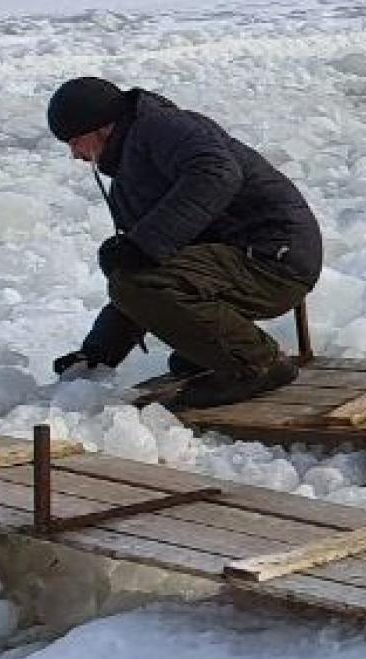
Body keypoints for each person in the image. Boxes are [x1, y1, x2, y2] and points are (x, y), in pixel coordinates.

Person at [43, 76, 323, 410]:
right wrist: (99, 353)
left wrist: (144, 245)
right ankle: (218, 352)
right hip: (242, 260)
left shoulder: (161, 127)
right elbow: (139, 279)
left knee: (140, 274)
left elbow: (217, 172)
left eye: (74, 141)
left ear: (101, 128)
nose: (74, 155)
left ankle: (256, 364)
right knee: (134, 274)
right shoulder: (129, 175)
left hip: (275, 257)